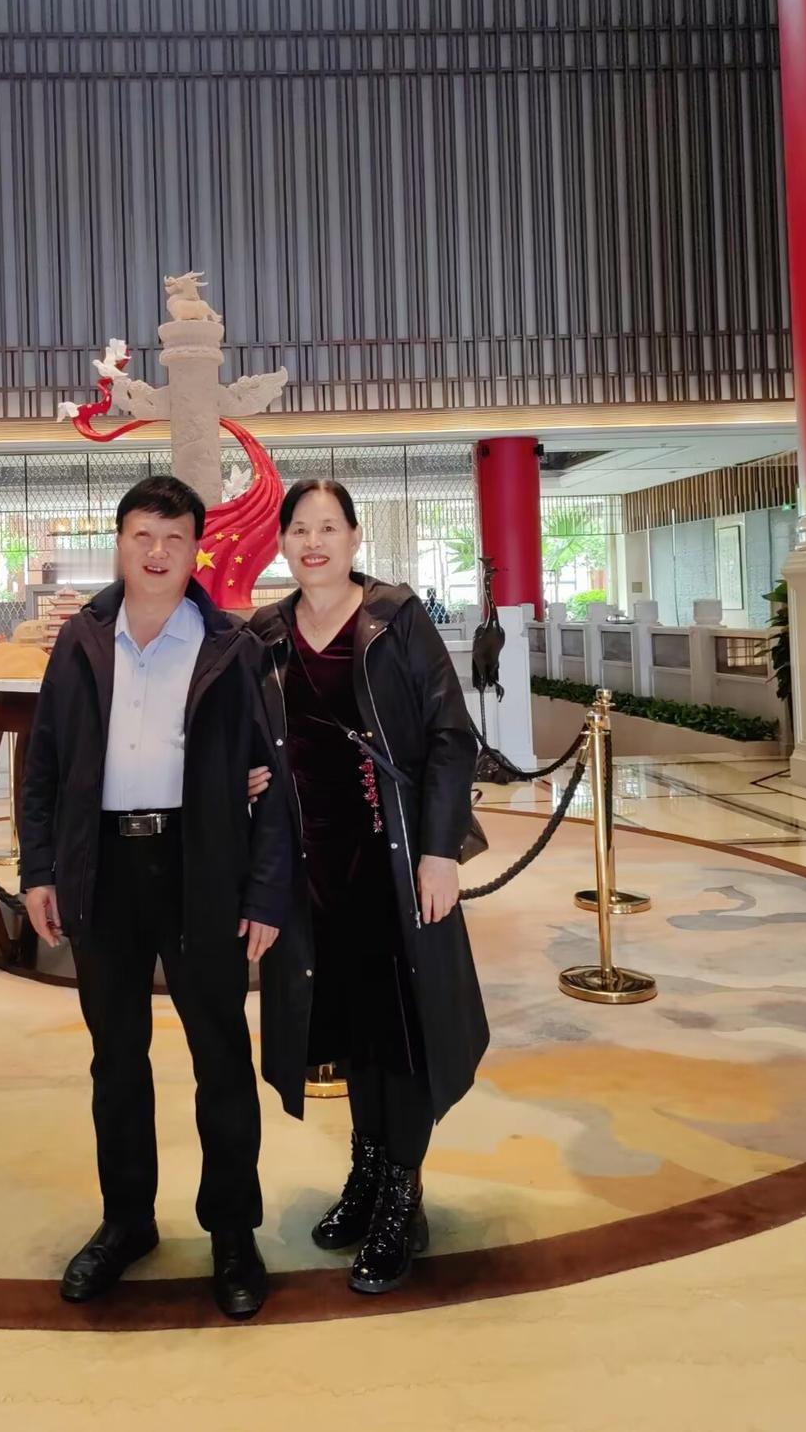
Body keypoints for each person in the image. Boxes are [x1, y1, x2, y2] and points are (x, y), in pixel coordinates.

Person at [20, 475, 292, 1319]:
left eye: (174, 538)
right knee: (116, 1059)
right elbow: (45, 763)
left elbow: (271, 774)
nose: (157, 552)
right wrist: (39, 869)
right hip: (103, 868)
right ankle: (127, 1221)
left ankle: (233, 1231)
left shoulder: (230, 645)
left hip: (199, 864)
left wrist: (265, 891)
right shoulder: (81, 640)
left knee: (221, 1056)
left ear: (195, 549)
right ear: (120, 542)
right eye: (143, 535)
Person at [249, 479, 490, 1295]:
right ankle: (367, 1170)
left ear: (355, 538)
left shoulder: (396, 619)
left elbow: (451, 737)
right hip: (314, 873)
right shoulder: (266, 635)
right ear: (283, 543)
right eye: (299, 529)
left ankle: (401, 1195)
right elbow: (247, 737)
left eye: (329, 528)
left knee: (404, 1031)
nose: (314, 542)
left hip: (394, 862)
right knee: (353, 1031)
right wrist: (246, 773)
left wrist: (439, 851)